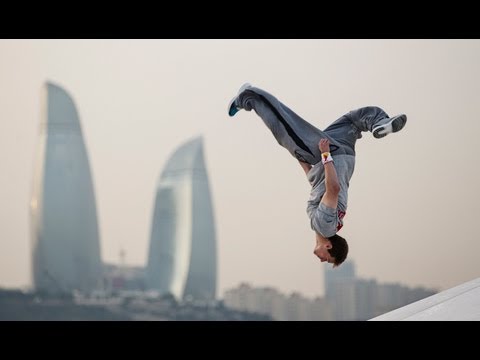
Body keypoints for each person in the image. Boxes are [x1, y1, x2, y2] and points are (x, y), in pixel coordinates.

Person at [227, 83, 407, 267]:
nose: (321, 260)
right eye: (327, 259)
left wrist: (301, 159)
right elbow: (333, 189)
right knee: (284, 127)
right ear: (328, 245)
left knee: (353, 120)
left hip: (344, 157)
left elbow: (319, 188)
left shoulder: (334, 223)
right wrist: (325, 153)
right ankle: (248, 96)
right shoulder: (324, 226)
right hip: (331, 155)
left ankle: (380, 122)